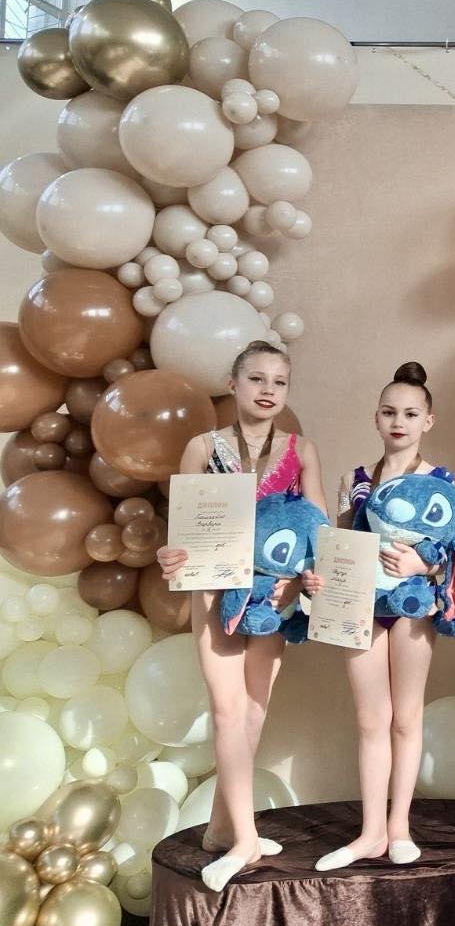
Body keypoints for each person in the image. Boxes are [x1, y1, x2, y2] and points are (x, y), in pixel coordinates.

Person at [155, 341, 327, 890]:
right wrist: (171, 555)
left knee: (253, 711)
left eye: (279, 381)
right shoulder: (202, 448)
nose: (268, 390)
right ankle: (247, 840)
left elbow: (319, 530)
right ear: (233, 385)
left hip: (273, 596)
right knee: (228, 711)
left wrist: (306, 577)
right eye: (257, 379)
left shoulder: (301, 451)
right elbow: (183, 529)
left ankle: (220, 829)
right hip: (214, 589)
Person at [316, 363, 453, 871]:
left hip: (414, 607)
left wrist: (423, 564)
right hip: (362, 607)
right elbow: (338, 546)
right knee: (371, 719)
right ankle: (371, 832)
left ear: (428, 421)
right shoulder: (355, 481)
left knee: (406, 717)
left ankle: (400, 828)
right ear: (376, 418)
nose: (399, 422)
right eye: (390, 412)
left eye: (411, 414)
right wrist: (322, 577)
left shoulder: (440, 482)